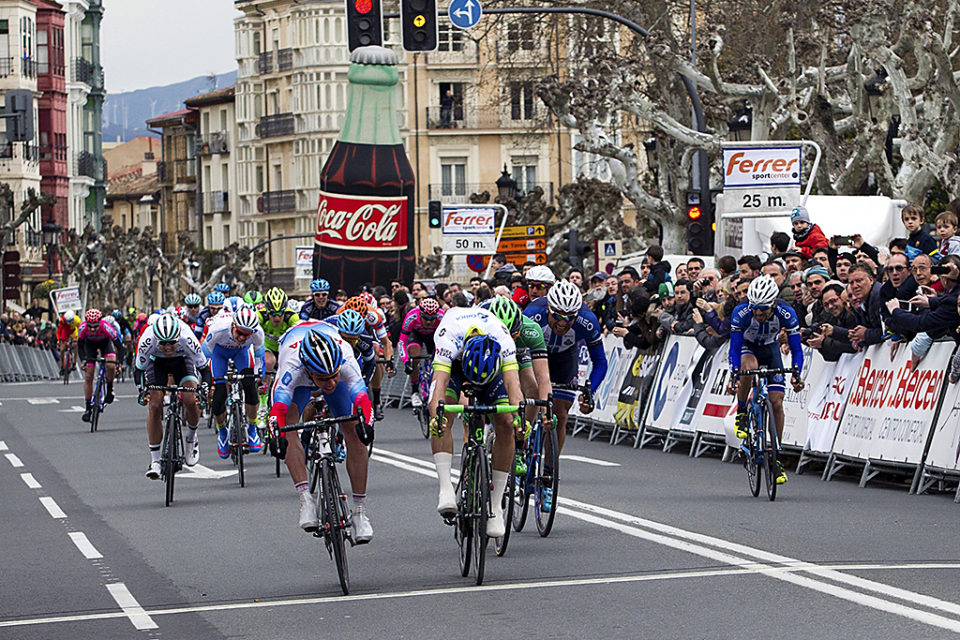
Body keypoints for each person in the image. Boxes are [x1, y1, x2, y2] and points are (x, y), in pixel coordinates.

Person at [269, 321, 375, 539]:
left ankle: (359, 512)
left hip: (327, 345)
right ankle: (305, 499)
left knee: (355, 432)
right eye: (323, 379)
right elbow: (278, 408)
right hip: (298, 382)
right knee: (288, 427)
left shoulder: (344, 355)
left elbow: (361, 396)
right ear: (309, 370)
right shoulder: (292, 365)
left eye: (334, 375)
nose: (331, 383)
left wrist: (367, 423)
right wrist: (276, 435)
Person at [427, 306, 523, 538]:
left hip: (491, 370)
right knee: (443, 414)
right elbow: (439, 384)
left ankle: (496, 505)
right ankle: (445, 488)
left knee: (507, 423)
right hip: (458, 367)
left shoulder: (503, 339)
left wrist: (520, 417)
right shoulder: (448, 335)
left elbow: (513, 385)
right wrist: (435, 418)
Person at [523, 280, 607, 508]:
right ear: (548, 309)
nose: (562, 323)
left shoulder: (587, 321)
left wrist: (590, 390)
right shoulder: (533, 314)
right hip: (533, 356)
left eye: (569, 317)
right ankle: (522, 446)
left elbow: (600, 362)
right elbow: (517, 351)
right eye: (557, 316)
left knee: (559, 415)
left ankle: (548, 478)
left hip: (563, 360)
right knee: (532, 397)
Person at [727, 275, 805, 485]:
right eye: (755, 308)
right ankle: (742, 411)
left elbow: (797, 349)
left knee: (777, 402)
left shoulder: (786, 312)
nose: (758, 313)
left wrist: (797, 374)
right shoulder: (741, 312)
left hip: (771, 351)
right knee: (749, 368)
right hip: (748, 348)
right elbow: (734, 348)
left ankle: (776, 454)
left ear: (773, 303)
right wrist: (734, 373)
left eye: (763, 308)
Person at [135, 314, 212, 478]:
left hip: (182, 362)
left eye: (172, 343)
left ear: (179, 337)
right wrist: (142, 391)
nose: (168, 347)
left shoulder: (187, 338)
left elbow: (205, 370)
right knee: (155, 406)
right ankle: (155, 461)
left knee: (190, 400)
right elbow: (139, 371)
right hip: (157, 364)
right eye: (163, 343)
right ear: (156, 339)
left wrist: (203, 389)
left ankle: (191, 439)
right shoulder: (147, 339)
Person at [202, 307, 266, 458]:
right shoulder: (218, 329)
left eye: (247, 334)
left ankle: (252, 429)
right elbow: (204, 357)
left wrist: (258, 376)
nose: (243, 338)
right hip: (219, 354)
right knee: (219, 396)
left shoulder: (257, 332)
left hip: (241, 353)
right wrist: (207, 380)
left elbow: (259, 358)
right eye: (239, 333)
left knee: (250, 387)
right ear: (233, 326)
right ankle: (223, 433)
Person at [77, 309, 122, 422]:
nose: (92, 329)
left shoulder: (106, 328)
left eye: (95, 327)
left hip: (105, 344)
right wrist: (83, 360)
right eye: (90, 327)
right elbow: (80, 346)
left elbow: (120, 347)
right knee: (88, 375)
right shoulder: (82, 329)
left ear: (100, 323)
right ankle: (88, 408)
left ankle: (110, 388)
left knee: (110, 365)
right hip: (90, 346)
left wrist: (119, 364)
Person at [399, 296, 444, 405]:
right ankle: (414, 391)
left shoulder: (442, 317)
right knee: (415, 356)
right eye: (426, 318)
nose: (429, 322)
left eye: (432, 318)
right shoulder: (412, 316)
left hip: (433, 336)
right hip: (416, 335)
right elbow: (401, 342)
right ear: (420, 314)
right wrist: (406, 362)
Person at [257, 287, 301, 381]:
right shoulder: (260, 316)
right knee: (269, 362)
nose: (277, 318)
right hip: (268, 348)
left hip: (285, 348)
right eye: (273, 314)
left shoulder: (292, 317)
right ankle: (264, 393)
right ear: (267, 311)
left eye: (280, 313)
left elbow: (299, 338)